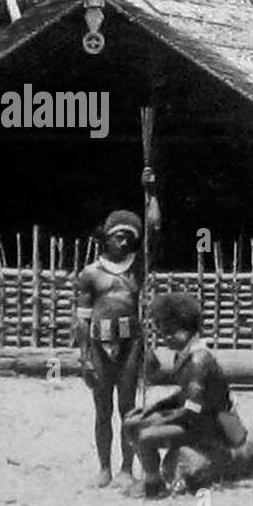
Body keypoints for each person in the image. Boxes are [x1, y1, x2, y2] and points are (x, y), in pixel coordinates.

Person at [125, 292, 241, 499]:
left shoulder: (198, 361)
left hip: (211, 426)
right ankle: (153, 475)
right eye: (163, 333)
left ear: (188, 328)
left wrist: (159, 420)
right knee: (132, 422)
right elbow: (184, 394)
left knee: (145, 434)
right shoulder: (183, 355)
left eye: (171, 332)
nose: (166, 338)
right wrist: (155, 408)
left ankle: (154, 483)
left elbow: (193, 410)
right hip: (194, 418)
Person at [73, 209, 146, 488]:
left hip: (131, 344)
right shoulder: (90, 275)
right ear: (106, 238)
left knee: (128, 408)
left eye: (129, 237)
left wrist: (150, 193)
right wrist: (85, 358)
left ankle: (127, 468)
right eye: (118, 236)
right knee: (102, 409)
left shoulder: (137, 269)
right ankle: (104, 468)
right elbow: (82, 319)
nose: (124, 242)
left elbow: (155, 230)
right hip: (98, 344)